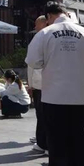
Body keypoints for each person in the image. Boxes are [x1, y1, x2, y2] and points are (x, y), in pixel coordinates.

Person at [26, 2, 84, 166]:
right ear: (67, 13)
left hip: (54, 96)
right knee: (82, 140)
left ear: (49, 17)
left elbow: (33, 61)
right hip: (80, 96)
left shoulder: (44, 34)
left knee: (57, 141)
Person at [28, 15, 48, 154]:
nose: (35, 27)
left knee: (42, 114)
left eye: (37, 24)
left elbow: (31, 62)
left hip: (40, 83)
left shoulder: (39, 38)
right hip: (51, 83)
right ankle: (44, 142)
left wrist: (30, 84)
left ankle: (44, 143)